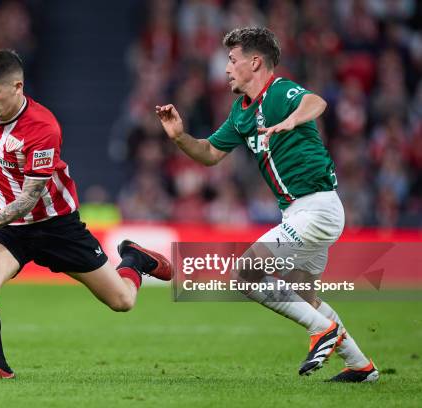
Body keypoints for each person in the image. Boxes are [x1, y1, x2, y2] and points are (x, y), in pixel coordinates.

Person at [156, 27, 378, 383]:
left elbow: (315, 102)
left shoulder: (278, 92)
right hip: (300, 212)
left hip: (317, 208)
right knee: (305, 294)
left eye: (232, 60)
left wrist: (292, 118)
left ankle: (322, 331)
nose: (226, 68)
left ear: (255, 62)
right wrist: (180, 137)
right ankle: (361, 366)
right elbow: (211, 154)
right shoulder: (241, 113)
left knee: (245, 273)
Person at [0, 50, 172, 380]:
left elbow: (28, 199)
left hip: (55, 225)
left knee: (122, 301)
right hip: (9, 228)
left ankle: (135, 260)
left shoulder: (42, 128)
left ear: (18, 87)